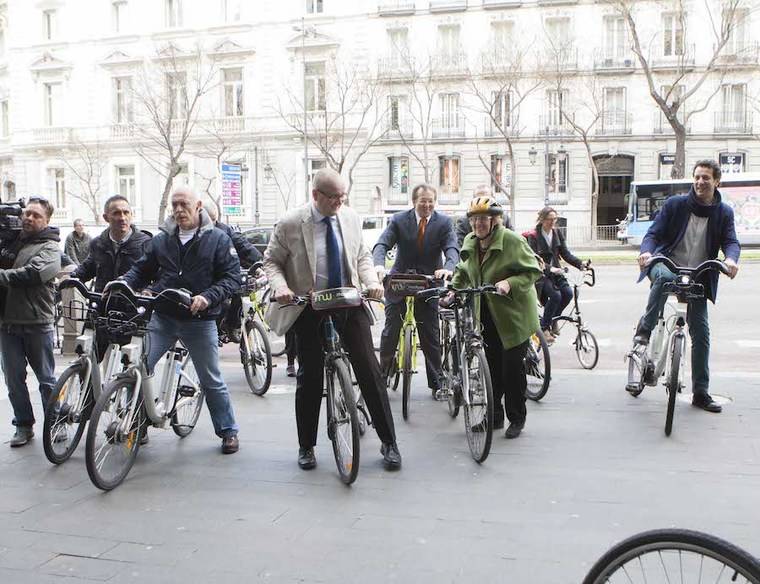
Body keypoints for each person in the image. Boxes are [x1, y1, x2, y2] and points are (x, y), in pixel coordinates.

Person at [263, 168, 401, 471]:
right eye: (334, 197)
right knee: (309, 376)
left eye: (343, 196)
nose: (340, 202)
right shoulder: (291, 223)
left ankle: (389, 442)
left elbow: (361, 255)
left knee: (369, 368)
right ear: (316, 195)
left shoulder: (350, 217)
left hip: (348, 300)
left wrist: (371, 282)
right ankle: (306, 447)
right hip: (309, 304)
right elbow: (271, 261)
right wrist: (282, 287)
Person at [121, 187, 242, 454]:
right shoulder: (162, 239)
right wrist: (122, 283)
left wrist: (208, 297)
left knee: (211, 378)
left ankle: (228, 430)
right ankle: (135, 422)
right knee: (137, 369)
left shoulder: (218, 239)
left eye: (183, 204)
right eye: (174, 205)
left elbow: (232, 278)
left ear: (198, 205)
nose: (178, 210)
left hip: (199, 319)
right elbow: (141, 268)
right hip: (163, 316)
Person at [632, 159, 740, 413]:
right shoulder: (676, 204)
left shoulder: (724, 212)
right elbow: (653, 234)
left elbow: (731, 242)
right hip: (665, 262)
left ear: (717, 182)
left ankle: (700, 392)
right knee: (665, 277)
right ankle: (645, 331)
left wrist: (731, 260)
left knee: (701, 333)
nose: (701, 182)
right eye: (697, 177)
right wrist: (647, 253)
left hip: (698, 274)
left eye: (706, 178)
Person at [444, 196, 542, 439]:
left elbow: (533, 270)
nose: (478, 224)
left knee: (511, 371)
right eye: (474, 220)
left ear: (495, 220)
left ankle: (516, 418)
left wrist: (509, 283)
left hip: (513, 315)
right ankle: (494, 418)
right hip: (486, 312)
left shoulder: (511, 240)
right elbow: (464, 270)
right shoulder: (470, 241)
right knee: (493, 369)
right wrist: (452, 291)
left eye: (484, 219)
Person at [372, 183, 458, 399]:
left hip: (429, 280)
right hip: (401, 279)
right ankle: (383, 375)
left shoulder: (444, 222)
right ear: (414, 202)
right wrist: (379, 266)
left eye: (430, 201)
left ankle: (437, 383)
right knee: (391, 328)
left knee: (429, 332)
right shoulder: (399, 220)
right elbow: (382, 244)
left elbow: (452, 248)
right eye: (423, 201)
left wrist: (447, 268)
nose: (427, 205)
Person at [0, 197, 61, 447]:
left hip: (37, 322)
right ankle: (23, 425)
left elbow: (34, 273)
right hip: (7, 323)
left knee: (46, 379)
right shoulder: (11, 242)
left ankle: (56, 423)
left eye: (36, 215)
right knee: (13, 379)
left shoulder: (50, 247)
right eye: (27, 214)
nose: (29, 218)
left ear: (46, 221)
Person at [524, 207, 588, 344]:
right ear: (542, 219)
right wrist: (549, 268)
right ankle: (544, 328)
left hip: (557, 272)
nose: (553, 222)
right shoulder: (533, 236)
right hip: (541, 275)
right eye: (550, 219)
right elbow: (533, 258)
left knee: (568, 293)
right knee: (555, 296)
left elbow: (565, 254)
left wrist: (580, 264)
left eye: (555, 219)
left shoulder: (557, 233)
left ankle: (553, 319)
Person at [202, 203, 263, 343]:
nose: (210, 224)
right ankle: (214, 332)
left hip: (225, 274)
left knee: (239, 293)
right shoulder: (195, 233)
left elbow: (242, 245)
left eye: (213, 220)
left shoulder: (224, 230)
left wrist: (259, 264)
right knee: (220, 303)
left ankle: (231, 324)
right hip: (208, 278)